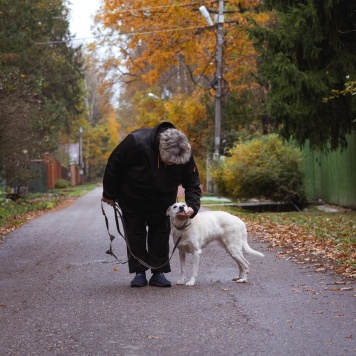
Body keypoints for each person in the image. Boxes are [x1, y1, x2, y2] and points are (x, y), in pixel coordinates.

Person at [102, 121, 201, 287]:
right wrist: (109, 194)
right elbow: (114, 165)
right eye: (169, 161)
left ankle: (158, 272)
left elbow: (192, 181)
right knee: (135, 233)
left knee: (160, 234)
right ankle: (139, 272)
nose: (171, 164)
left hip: (163, 200)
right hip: (133, 197)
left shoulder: (184, 151)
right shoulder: (136, 141)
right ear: (161, 148)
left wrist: (192, 206)